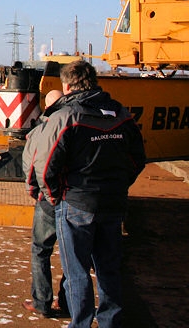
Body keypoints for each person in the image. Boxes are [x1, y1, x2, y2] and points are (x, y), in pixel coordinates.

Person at [34, 60, 146, 328]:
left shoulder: (65, 117)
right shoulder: (121, 114)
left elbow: (45, 166)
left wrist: (55, 196)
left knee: (77, 272)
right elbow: (138, 159)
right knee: (108, 268)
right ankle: (110, 322)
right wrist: (118, 185)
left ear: (68, 85)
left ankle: (80, 323)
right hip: (113, 202)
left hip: (76, 204)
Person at [22, 88, 68, 319]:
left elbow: (31, 167)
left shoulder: (42, 129)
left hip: (49, 200)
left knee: (41, 250)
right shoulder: (78, 123)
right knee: (73, 255)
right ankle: (68, 302)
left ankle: (42, 302)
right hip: (76, 200)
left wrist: (38, 193)